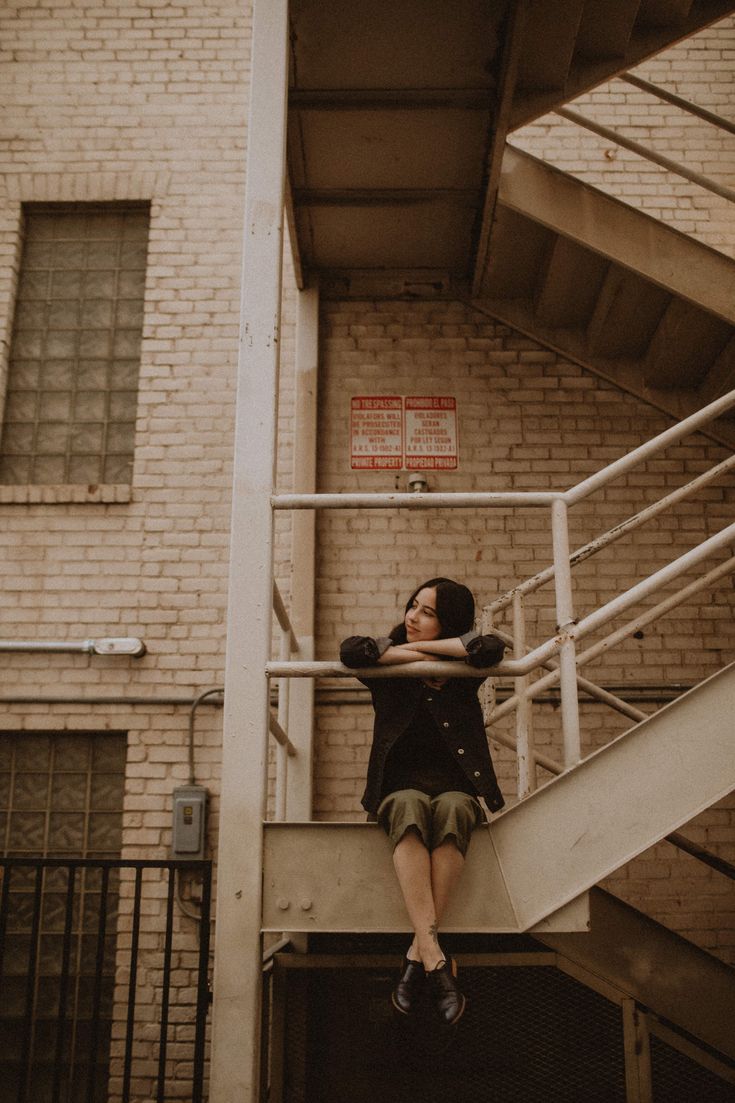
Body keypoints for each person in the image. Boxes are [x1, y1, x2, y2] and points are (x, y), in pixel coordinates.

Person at [340, 577, 505, 1026]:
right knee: (411, 805)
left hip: (456, 785)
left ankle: (418, 954)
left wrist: (428, 655)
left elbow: (489, 649)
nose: (412, 616)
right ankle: (435, 958)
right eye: (413, 606)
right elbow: (352, 651)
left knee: (454, 809)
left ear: (448, 621)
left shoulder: (464, 669)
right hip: (399, 788)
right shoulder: (386, 661)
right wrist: (415, 656)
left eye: (427, 612)